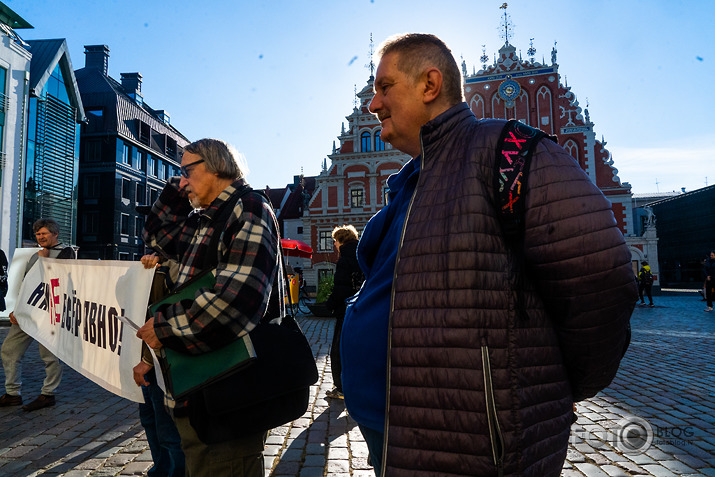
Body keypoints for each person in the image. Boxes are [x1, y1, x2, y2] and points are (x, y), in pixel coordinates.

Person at [340, 34, 637, 476]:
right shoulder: (413, 177)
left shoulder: (512, 151)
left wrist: (548, 384)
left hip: (470, 440)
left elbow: (600, 277)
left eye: (384, 88)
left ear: (429, 84)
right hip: (394, 429)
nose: (373, 103)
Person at [136, 138, 280, 477]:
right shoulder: (205, 219)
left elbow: (236, 302)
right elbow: (155, 235)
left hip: (228, 396)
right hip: (199, 391)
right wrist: (179, 183)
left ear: (216, 166)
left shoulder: (248, 208)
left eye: (187, 171)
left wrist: (162, 330)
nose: (182, 181)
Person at [0, 218, 76, 412]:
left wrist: (45, 260)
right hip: (27, 312)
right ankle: (12, 394)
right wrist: (17, 309)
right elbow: (27, 285)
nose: (40, 237)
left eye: (44, 233)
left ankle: (48, 394)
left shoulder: (68, 253)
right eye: (37, 234)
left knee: (49, 356)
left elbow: (62, 282)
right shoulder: (35, 255)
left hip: (50, 314)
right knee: (9, 350)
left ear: (55, 234)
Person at [325, 225, 363, 400]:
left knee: (337, 349)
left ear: (341, 240)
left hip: (345, 310)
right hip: (362, 308)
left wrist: (330, 304)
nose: (334, 244)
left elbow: (341, 288)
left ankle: (340, 388)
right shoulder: (362, 253)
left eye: (335, 241)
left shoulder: (345, 258)